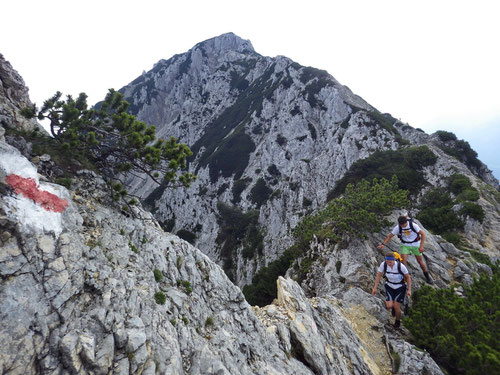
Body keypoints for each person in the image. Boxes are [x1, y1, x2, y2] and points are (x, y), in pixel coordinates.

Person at [377, 215, 432, 284]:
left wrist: (421, 246)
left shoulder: (413, 225)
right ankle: (404, 277)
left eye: (404, 224)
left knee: (420, 261)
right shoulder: (398, 227)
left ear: (406, 222)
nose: (403, 226)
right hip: (405, 245)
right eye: (401, 225)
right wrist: (383, 244)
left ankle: (427, 276)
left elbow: (423, 234)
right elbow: (390, 236)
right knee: (403, 262)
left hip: (415, 244)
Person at [371, 254, 411, 329]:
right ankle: (393, 307)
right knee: (389, 306)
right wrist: (375, 288)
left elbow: (408, 278)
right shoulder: (384, 265)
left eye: (390, 262)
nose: (388, 263)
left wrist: (409, 290)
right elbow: (379, 276)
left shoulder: (400, 266)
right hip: (389, 286)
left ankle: (397, 321)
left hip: (400, 287)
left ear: (394, 260)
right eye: (387, 262)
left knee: (396, 306)